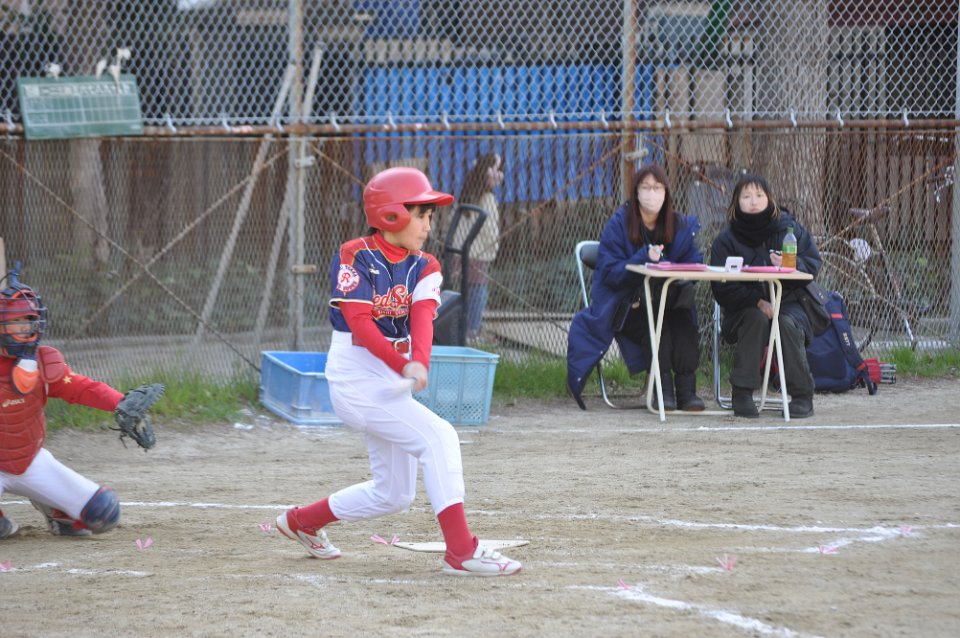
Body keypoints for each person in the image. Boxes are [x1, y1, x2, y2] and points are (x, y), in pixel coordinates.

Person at [275, 166, 521, 577]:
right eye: (421, 214)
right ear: (391, 214)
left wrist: (418, 360)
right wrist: (403, 363)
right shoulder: (355, 255)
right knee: (439, 437)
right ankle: (461, 551)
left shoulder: (425, 265)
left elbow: (422, 319)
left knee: (393, 494)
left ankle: (302, 521)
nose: (428, 225)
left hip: (391, 381)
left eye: (429, 216)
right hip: (356, 381)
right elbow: (360, 325)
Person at [0, 267, 159, 540]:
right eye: (17, 321)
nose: (26, 327)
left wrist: (120, 402)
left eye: (30, 320)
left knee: (103, 512)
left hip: (28, 461)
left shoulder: (42, 363)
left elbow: (81, 388)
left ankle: (57, 511)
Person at [567, 164, 706, 412]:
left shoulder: (679, 224)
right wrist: (643, 257)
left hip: (670, 298)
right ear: (636, 192)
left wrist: (676, 270)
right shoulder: (619, 224)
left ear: (666, 193)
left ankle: (687, 391)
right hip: (628, 303)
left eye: (658, 188)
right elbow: (610, 272)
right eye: (646, 188)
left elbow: (695, 262)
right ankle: (662, 391)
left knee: (684, 319)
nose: (652, 193)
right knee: (658, 324)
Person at [709, 173, 821, 418]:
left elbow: (813, 265)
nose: (753, 201)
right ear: (736, 202)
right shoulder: (726, 240)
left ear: (770, 199)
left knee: (785, 322)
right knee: (755, 318)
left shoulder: (790, 230)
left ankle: (802, 395)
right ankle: (742, 393)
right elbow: (721, 287)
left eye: (759, 195)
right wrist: (756, 301)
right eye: (746, 196)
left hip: (789, 303)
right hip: (742, 310)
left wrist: (791, 264)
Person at [447, 153, 505, 343]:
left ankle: (462, 329)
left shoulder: (465, 195)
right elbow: (490, 230)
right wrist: (493, 249)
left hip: (459, 252)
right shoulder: (487, 198)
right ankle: (472, 330)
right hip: (479, 254)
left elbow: (452, 221)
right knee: (478, 293)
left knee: (463, 292)